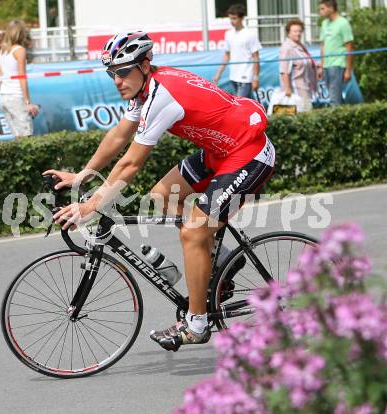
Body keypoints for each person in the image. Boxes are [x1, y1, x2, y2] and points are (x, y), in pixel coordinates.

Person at [46, 32, 275, 351]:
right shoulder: (144, 91)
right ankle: (221, 260)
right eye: (112, 73)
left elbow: (130, 165)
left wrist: (92, 205)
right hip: (220, 151)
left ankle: (197, 324)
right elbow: (118, 136)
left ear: (144, 65)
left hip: (247, 154)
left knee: (193, 233)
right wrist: (83, 175)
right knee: (162, 196)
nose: (117, 80)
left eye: (123, 71)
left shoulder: (161, 95)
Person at [0, 20, 39, 138]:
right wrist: (28, 102)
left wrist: (1, 93)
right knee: (27, 136)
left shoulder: (2, 50)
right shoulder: (20, 50)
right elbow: (22, 77)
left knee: (17, 137)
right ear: (21, 34)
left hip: (3, 96)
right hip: (16, 96)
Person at [213, 4, 261, 99]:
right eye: (230, 18)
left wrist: (255, 78)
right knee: (248, 104)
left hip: (246, 77)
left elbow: (256, 57)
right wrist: (218, 74)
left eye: (234, 18)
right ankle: (261, 112)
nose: (232, 21)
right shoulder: (228, 34)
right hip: (234, 76)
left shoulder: (250, 34)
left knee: (240, 105)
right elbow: (227, 55)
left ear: (241, 18)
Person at [318, 0, 354, 106]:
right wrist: (321, 65)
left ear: (331, 8)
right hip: (326, 65)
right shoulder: (324, 24)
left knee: (334, 98)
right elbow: (323, 46)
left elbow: (350, 47)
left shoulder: (343, 23)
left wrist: (348, 70)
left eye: (322, 9)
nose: (320, 12)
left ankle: (336, 121)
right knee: (334, 96)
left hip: (338, 64)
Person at [279, 19, 318, 112]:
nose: (298, 34)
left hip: (306, 85)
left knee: (306, 111)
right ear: (289, 33)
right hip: (295, 88)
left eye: (300, 31)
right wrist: (287, 89)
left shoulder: (300, 45)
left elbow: (305, 62)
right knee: (302, 114)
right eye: (295, 31)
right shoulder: (287, 47)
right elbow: (284, 70)